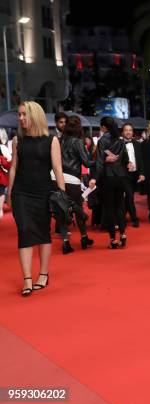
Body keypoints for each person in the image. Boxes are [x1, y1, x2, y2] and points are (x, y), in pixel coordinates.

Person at [7, 101, 65, 296]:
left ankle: (43, 274)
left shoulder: (51, 140)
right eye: (20, 114)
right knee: (24, 231)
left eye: (25, 114)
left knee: (42, 233)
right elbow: (14, 166)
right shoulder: (17, 140)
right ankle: (27, 279)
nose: (21, 118)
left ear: (35, 116)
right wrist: (9, 192)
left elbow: (58, 169)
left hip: (43, 192)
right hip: (21, 192)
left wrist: (62, 195)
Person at [89, 117, 130, 249]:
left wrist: (95, 177)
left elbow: (100, 162)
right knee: (120, 206)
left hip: (108, 177)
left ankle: (113, 240)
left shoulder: (102, 141)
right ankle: (123, 234)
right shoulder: (120, 140)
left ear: (103, 127)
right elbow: (126, 159)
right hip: (121, 177)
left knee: (110, 209)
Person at [57, 116, 95, 253]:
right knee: (78, 208)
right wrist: (101, 159)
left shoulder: (60, 140)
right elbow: (87, 162)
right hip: (72, 178)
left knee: (62, 210)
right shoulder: (78, 142)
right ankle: (84, 238)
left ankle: (65, 243)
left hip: (57, 178)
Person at [121, 123, 145, 227]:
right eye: (126, 130)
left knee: (129, 196)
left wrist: (142, 173)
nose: (128, 132)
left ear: (132, 132)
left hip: (135, 174)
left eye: (130, 130)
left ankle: (123, 216)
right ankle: (134, 218)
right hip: (124, 174)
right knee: (129, 195)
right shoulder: (119, 144)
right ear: (122, 132)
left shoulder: (138, 144)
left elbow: (141, 161)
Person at [0, 128, 11, 218]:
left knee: (1, 192)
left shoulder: (3, 148)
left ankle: (0, 209)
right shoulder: (4, 148)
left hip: (1, 175)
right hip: (2, 175)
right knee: (1, 192)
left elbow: (8, 163)